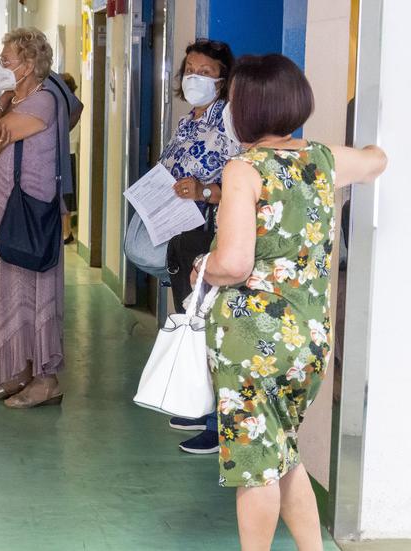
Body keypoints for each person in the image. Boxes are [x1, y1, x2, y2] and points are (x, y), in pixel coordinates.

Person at [194, 54, 386, 550]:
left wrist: (202, 267)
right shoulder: (322, 160)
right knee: (281, 452)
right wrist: (369, 147)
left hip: (252, 342)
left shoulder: (244, 170)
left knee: (256, 470)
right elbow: (375, 161)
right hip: (309, 340)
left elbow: (234, 264)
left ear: (248, 110)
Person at [0, 28, 68, 409]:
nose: (1, 66)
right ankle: (22, 370)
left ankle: (47, 380)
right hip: (2, 210)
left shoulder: (42, 102)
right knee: (7, 291)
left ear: (29, 65)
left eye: (7, 60)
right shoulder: (21, 99)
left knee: (34, 290)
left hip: (29, 212)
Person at [158, 39, 239, 454]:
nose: (195, 77)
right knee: (189, 319)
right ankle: (198, 404)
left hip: (212, 228)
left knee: (212, 325)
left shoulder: (231, 120)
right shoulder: (187, 120)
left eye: (206, 72)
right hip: (182, 231)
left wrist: (206, 191)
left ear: (223, 80)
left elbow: (243, 182)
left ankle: (217, 425)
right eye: (190, 68)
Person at [60, 73, 79, 244]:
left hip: (66, 154)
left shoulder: (71, 107)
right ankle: (64, 231)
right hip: (67, 154)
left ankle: (66, 232)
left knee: (64, 195)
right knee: (64, 194)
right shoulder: (70, 105)